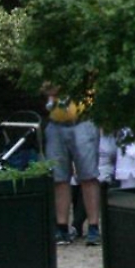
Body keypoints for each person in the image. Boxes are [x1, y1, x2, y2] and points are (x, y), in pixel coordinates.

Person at [43, 86, 101, 246]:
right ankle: (62, 228)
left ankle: (93, 227)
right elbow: (45, 87)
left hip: (83, 121)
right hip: (56, 124)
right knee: (59, 179)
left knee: (88, 176)